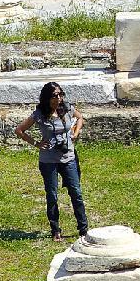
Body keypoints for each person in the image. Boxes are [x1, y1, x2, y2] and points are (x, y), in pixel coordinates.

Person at [14, 81, 88, 240]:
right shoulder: (39, 114)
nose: (59, 98)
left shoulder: (67, 109)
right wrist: (37, 144)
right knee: (52, 195)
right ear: (47, 98)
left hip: (68, 157)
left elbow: (80, 118)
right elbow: (19, 130)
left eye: (61, 94)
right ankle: (55, 230)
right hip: (48, 161)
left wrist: (75, 132)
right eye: (55, 96)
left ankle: (83, 229)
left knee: (76, 192)